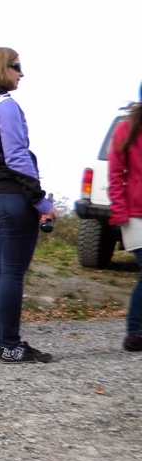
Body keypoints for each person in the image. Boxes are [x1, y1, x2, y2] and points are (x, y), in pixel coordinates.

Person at [0, 47, 57, 363]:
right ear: (2, 68)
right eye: (16, 67)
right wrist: (40, 201)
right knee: (12, 274)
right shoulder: (5, 106)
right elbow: (17, 157)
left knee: (1, 273)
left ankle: (5, 343)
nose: (21, 73)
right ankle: (11, 345)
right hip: (15, 199)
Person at [107, 99, 142, 351]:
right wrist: (119, 212)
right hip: (136, 215)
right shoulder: (126, 128)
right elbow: (116, 173)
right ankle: (134, 333)